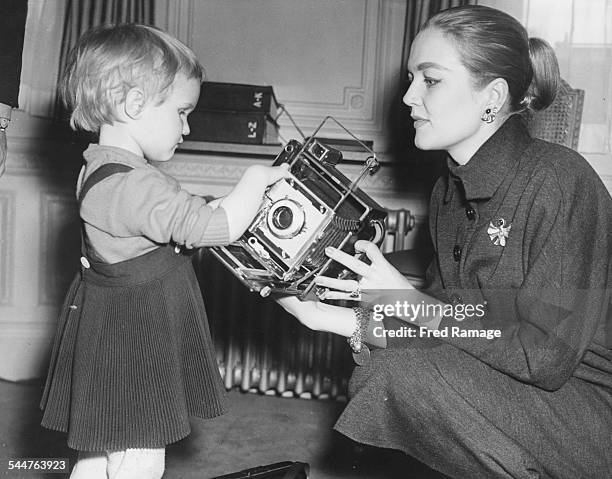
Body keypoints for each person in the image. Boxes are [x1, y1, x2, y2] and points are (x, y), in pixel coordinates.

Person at [278, 5, 612, 478]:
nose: (409, 97)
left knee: (396, 374)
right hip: (511, 391)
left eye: (430, 80)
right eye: (411, 78)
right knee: (386, 369)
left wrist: (406, 301)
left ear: (491, 96)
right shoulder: (447, 191)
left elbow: (545, 355)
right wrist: (336, 319)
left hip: (583, 411)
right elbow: (458, 327)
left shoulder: (558, 179)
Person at [39, 24, 288, 479]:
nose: (187, 127)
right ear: (134, 104)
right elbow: (219, 227)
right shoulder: (133, 183)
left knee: (101, 446)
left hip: (116, 325)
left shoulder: (106, 169)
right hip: (135, 336)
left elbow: (162, 217)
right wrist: (254, 180)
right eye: (181, 112)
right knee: (140, 450)